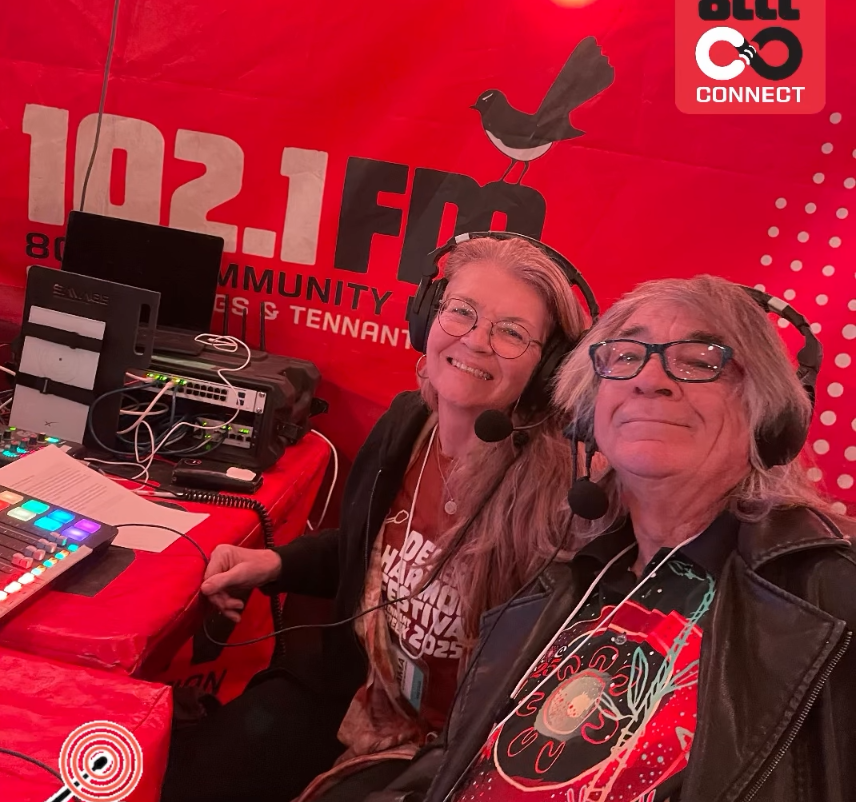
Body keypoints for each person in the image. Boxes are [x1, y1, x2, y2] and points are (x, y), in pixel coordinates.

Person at [359, 274, 856, 802]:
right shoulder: (560, 586)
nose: (650, 379)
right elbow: (457, 758)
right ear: (587, 415)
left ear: (770, 416)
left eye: (699, 360)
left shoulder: (830, 594)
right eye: (626, 356)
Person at [160, 233, 591, 802]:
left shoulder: (561, 493)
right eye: (461, 311)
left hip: (458, 749)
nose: (475, 340)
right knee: (192, 773)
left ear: (549, 367)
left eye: (511, 332)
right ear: (428, 318)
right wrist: (274, 564)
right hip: (353, 695)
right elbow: (373, 551)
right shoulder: (407, 426)